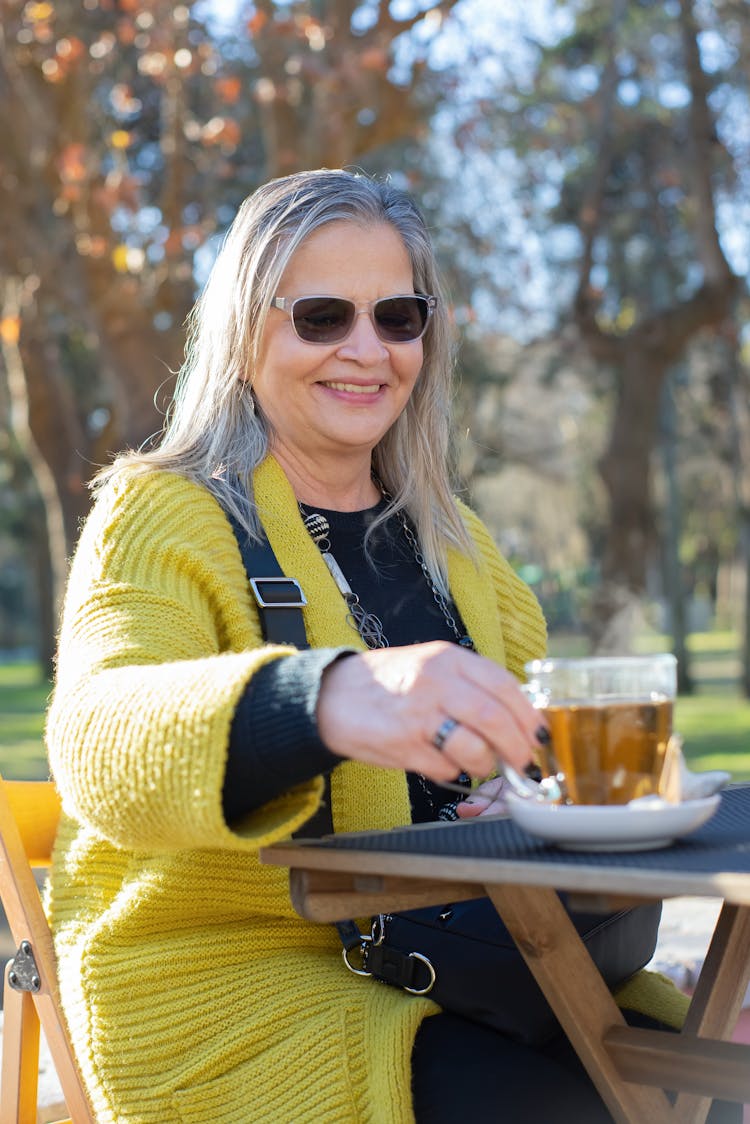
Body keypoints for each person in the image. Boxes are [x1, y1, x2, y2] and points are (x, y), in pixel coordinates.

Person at [45, 169, 730, 1124]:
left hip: (485, 970)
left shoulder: (459, 545)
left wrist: (550, 778)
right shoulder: (161, 513)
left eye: (398, 317)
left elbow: (545, 744)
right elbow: (96, 742)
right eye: (321, 317)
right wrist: (328, 698)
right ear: (246, 334)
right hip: (234, 991)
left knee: (714, 1093)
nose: (366, 350)